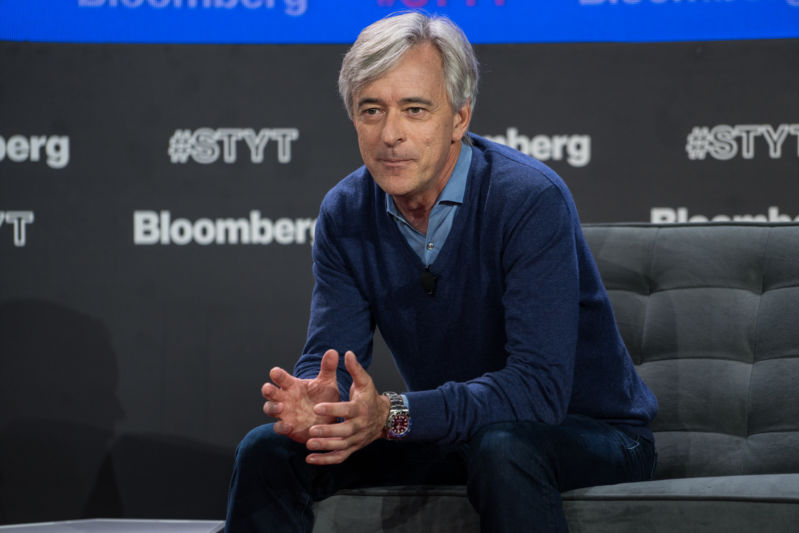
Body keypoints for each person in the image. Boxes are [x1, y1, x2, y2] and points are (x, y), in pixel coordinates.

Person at [225, 11, 658, 533]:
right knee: (268, 451)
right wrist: (328, 402)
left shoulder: (527, 199)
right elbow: (332, 358)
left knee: (504, 448)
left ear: (459, 118)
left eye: (415, 109)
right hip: (459, 433)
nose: (390, 134)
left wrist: (393, 414)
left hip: (590, 432)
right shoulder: (345, 212)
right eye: (371, 110)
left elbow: (537, 394)